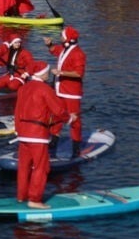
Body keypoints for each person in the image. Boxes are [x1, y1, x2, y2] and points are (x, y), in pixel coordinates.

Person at [14, 62, 69, 209]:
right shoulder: (45, 89)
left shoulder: (23, 88)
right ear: (42, 74)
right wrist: (69, 118)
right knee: (41, 167)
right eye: (47, 71)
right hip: (37, 134)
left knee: (23, 166)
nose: (49, 73)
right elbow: (58, 110)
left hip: (23, 133)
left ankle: (21, 196)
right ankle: (35, 199)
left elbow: (17, 111)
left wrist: (18, 130)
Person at [46, 26, 87, 156]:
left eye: (62, 35)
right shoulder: (64, 49)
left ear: (68, 38)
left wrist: (61, 72)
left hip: (71, 93)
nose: (60, 37)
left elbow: (79, 73)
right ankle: (54, 140)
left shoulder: (78, 54)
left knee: (74, 119)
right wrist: (49, 44)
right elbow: (55, 50)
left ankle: (76, 146)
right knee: (57, 115)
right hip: (60, 90)